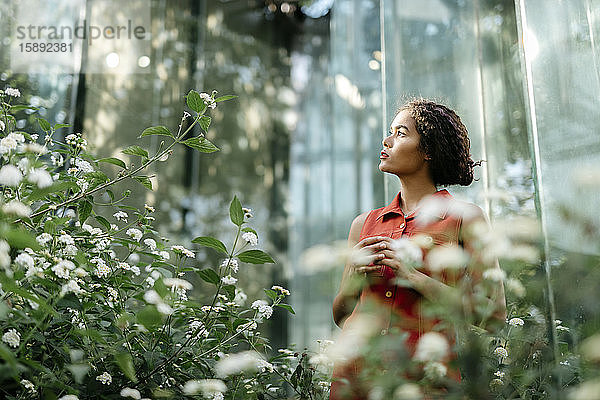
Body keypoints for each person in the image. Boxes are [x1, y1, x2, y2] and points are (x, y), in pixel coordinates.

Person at [330, 99, 507, 400]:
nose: (386, 141)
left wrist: (413, 276)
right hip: (353, 381)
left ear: (427, 150)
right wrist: (355, 276)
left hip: (425, 383)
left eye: (400, 133)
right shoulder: (363, 224)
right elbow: (340, 313)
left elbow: (493, 315)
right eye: (390, 131)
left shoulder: (465, 217)